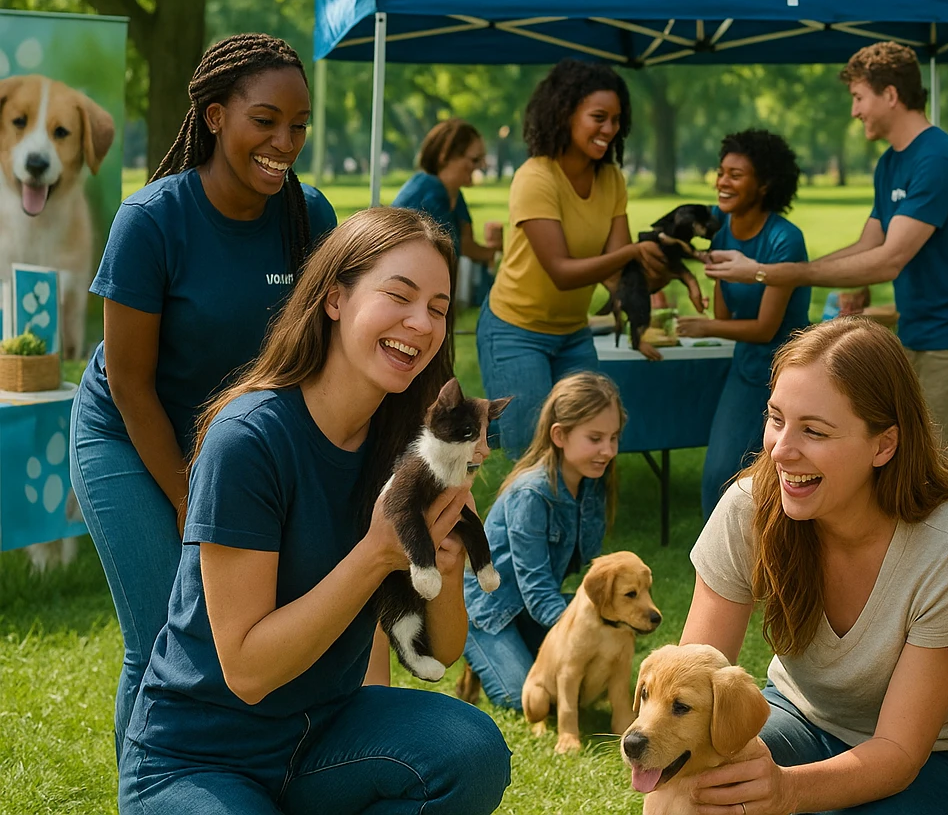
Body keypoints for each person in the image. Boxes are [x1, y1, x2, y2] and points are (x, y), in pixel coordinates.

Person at [117, 207, 510, 814]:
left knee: (471, 748)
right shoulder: (248, 439)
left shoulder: (413, 447)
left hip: (324, 737)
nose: (421, 323)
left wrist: (450, 566)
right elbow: (246, 670)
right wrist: (378, 553)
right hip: (200, 755)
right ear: (333, 299)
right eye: (399, 296)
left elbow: (446, 646)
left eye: (437, 307)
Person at [70, 33, 337, 758]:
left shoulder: (308, 218)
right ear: (215, 117)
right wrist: (190, 498)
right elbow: (128, 384)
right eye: (265, 120)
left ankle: (226, 772)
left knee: (239, 631)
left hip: (236, 447)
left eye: (299, 124)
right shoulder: (152, 220)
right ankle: (150, 788)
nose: (285, 141)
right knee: (163, 630)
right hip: (128, 434)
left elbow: (321, 356)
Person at [681, 319, 948, 815]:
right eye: (776, 419)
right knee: (702, 793)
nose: (781, 450)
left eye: (813, 430)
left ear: (884, 445)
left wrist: (786, 792)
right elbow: (690, 682)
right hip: (800, 719)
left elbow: (898, 753)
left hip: (941, 761)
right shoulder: (750, 506)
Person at [706, 42, 948, 477]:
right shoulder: (890, 163)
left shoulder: (937, 157)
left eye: (859, 98)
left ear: (891, 95)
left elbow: (887, 261)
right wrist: (848, 281)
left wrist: (768, 272)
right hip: (918, 329)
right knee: (910, 464)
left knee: (947, 469)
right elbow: (869, 243)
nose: (854, 111)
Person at [477, 58, 667, 459]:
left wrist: (658, 280)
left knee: (589, 449)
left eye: (616, 120)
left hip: (573, 335)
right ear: (565, 113)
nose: (609, 129)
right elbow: (562, 272)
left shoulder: (611, 178)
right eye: (599, 117)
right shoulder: (536, 177)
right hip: (516, 332)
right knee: (533, 457)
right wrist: (634, 252)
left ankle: (580, 525)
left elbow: (616, 269)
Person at [458, 371, 625, 709]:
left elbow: (587, 566)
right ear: (560, 435)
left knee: (594, 682)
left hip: (533, 609)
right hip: (490, 611)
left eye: (614, 437)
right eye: (595, 438)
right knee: (532, 699)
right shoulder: (531, 493)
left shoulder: (593, 484)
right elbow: (536, 588)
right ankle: (476, 647)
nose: (607, 450)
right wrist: (586, 631)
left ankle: (516, 650)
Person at [676, 129, 811, 518]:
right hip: (746, 366)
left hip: (787, 370)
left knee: (778, 472)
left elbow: (766, 328)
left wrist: (704, 329)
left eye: (736, 175)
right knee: (720, 473)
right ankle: (717, 565)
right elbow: (724, 312)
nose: (722, 181)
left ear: (764, 184)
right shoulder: (719, 223)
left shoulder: (785, 239)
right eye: (721, 172)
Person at [391, 117, 503, 264]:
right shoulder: (430, 191)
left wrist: (494, 252)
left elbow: (466, 244)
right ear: (445, 157)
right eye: (475, 159)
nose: (481, 165)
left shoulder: (452, 191)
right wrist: (495, 253)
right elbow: (447, 253)